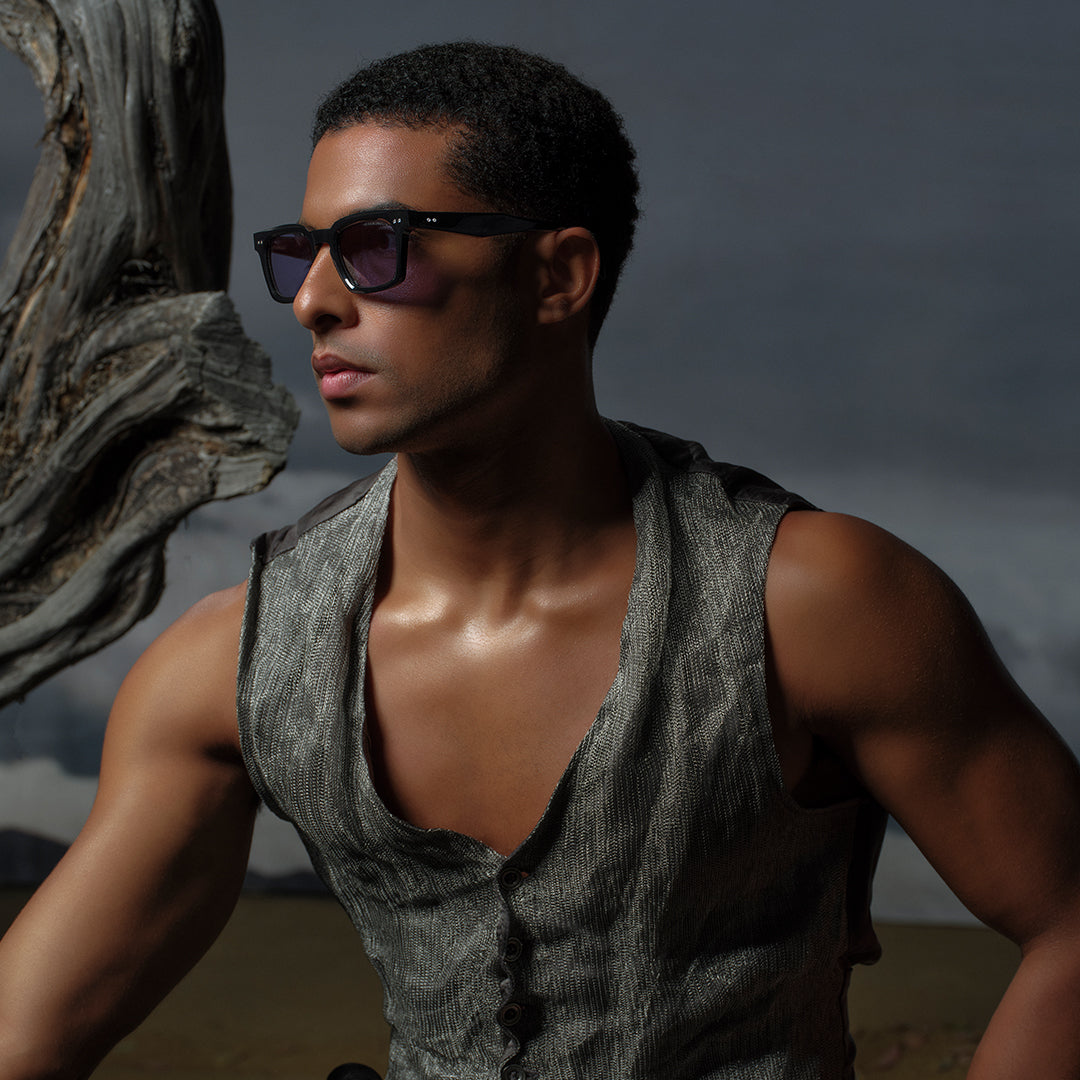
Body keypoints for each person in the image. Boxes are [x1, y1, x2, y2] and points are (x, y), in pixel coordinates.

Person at [1, 40, 1079, 1080]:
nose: (315, 301)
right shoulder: (229, 667)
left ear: (559, 275)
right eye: (304, 253)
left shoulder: (822, 605)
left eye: (380, 247)